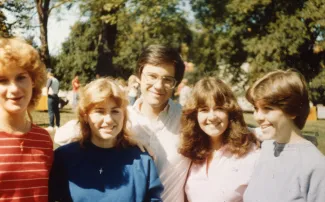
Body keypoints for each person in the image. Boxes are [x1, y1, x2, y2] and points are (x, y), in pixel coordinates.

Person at [54, 45, 190, 201]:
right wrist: (127, 136)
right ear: (139, 76)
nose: (158, 85)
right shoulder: (120, 116)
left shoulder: (188, 121)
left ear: (175, 84)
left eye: (167, 79)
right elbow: (61, 135)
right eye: (152, 76)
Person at [49, 78, 163, 201]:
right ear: (86, 116)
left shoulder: (142, 161)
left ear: (124, 115)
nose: (108, 119)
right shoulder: (64, 158)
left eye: (115, 111)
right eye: (100, 111)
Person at [244, 69, 325, 202]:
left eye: (267, 109)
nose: (258, 117)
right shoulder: (267, 147)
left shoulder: (316, 166)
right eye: (255, 108)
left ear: (292, 110)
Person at [179, 77, 260, 202]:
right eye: (204, 110)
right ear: (195, 115)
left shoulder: (251, 154)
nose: (212, 117)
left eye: (219, 108)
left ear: (230, 112)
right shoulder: (191, 152)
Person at [0, 37, 53, 201]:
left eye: (21, 77)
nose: (14, 89)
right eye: (2, 80)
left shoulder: (44, 139)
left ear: (34, 81)